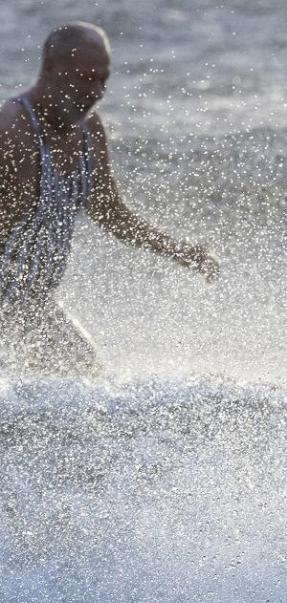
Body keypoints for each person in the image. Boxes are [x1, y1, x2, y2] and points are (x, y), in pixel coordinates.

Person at [0, 23, 218, 375]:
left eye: (103, 79)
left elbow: (109, 211)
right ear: (50, 69)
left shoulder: (89, 129)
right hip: (6, 307)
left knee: (91, 382)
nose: (97, 91)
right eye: (85, 79)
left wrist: (180, 251)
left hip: (34, 304)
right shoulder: (13, 132)